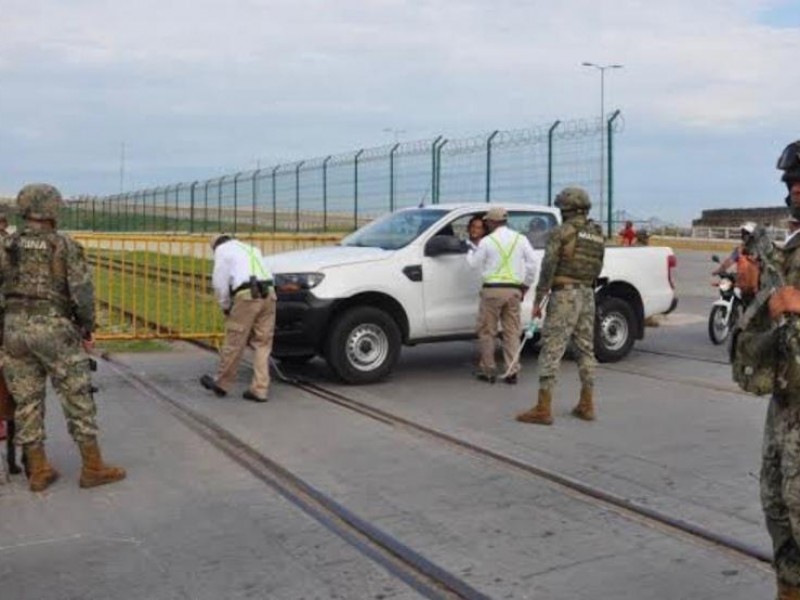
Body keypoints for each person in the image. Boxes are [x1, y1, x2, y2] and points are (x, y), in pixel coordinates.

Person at [0, 184, 125, 491]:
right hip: (54, 328)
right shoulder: (64, 245)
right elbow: (82, 292)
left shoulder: (7, 245)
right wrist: (86, 326)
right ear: (53, 210)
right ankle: (93, 467)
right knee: (77, 395)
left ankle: (39, 470)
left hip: (14, 330)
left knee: (26, 401)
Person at [516, 186, 605, 425]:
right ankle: (587, 403)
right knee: (586, 349)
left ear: (567, 209)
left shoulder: (561, 232)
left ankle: (543, 408)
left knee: (552, 348)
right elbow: (598, 266)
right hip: (587, 294)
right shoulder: (596, 233)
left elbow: (548, 267)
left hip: (564, 295)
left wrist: (539, 298)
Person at [760, 140, 800, 600]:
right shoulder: (790, 244)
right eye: (792, 183)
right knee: (780, 513)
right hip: (786, 401)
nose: (796, 191)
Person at [201, 234, 276, 402]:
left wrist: (225, 306)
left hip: (247, 294)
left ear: (215, 246)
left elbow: (220, 284)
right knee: (262, 343)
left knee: (234, 341)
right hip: (269, 294)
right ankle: (260, 388)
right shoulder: (251, 248)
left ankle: (221, 383)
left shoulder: (222, 251)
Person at [466, 207, 537, 384]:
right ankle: (512, 370)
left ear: (491, 222)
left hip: (492, 290)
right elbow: (532, 264)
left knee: (487, 331)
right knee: (512, 331)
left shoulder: (487, 241)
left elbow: (474, 265)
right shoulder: (520, 239)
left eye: (487, 222)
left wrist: (469, 251)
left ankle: (488, 370)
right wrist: (525, 286)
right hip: (513, 290)